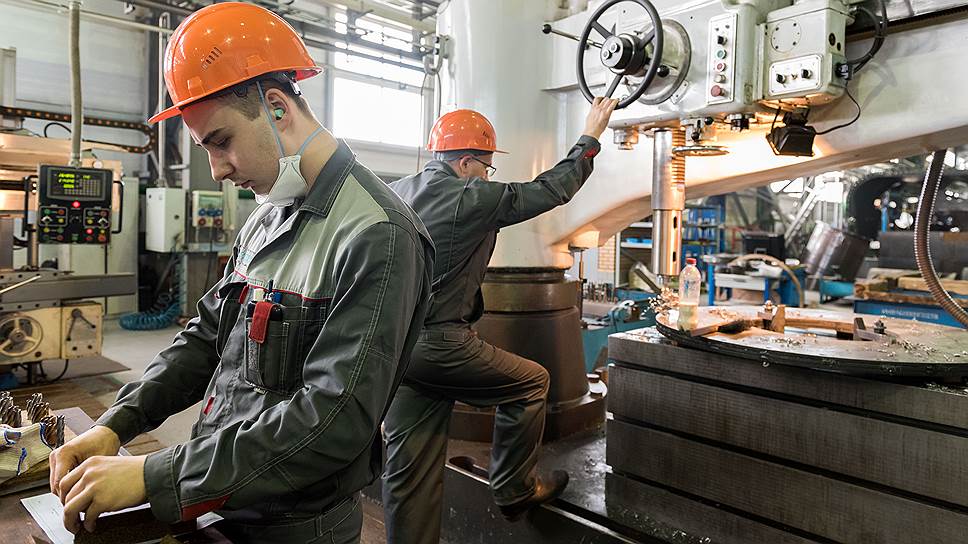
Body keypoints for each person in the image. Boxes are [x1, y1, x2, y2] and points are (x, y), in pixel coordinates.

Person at [48, 3, 434, 542]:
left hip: (296, 527)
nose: (217, 169)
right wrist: (118, 423)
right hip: (221, 496)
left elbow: (334, 419)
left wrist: (155, 476)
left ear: (276, 107)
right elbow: (208, 335)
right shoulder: (266, 216)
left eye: (221, 141)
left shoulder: (377, 233)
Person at [382, 97, 618, 543]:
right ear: (466, 162)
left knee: (409, 471)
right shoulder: (469, 195)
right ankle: (514, 489)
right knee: (531, 382)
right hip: (441, 342)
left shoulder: (398, 191)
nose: (489, 176)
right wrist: (590, 136)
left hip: (397, 347)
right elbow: (552, 189)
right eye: (487, 167)